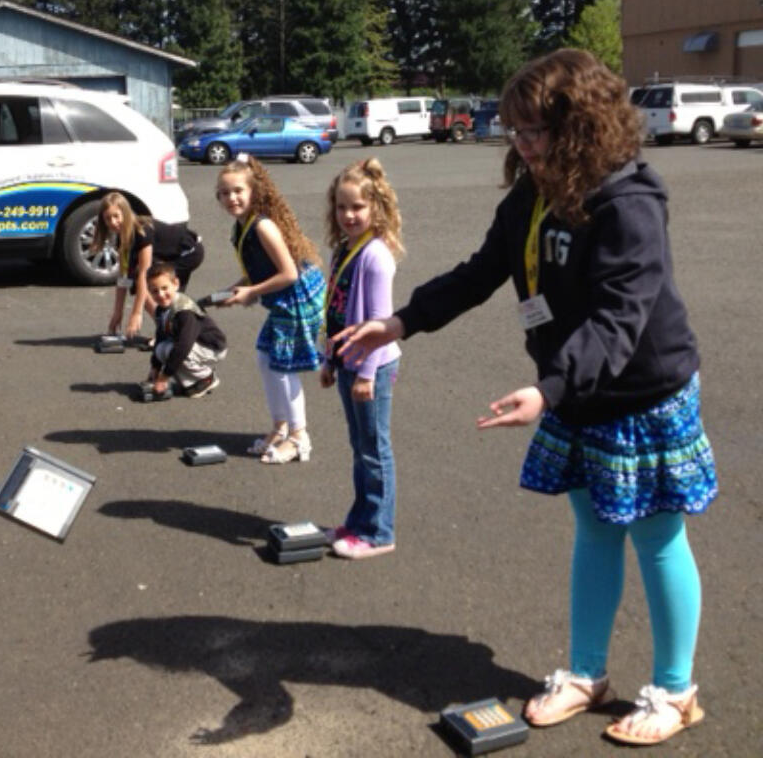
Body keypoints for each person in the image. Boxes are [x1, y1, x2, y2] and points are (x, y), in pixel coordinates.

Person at [335, 49, 718, 746]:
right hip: (574, 391)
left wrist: (546, 390)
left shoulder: (629, 201)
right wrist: (400, 322)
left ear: (582, 128)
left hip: (642, 394)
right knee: (596, 529)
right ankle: (585, 673)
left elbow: (618, 321)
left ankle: (674, 689)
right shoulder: (531, 198)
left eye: (535, 132)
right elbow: (480, 272)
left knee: (657, 537)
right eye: (513, 132)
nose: (522, 146)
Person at [214, 154, 326, 464]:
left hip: (298, 297)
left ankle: (299, 437)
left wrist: (251, 292)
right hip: (284, 297)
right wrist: (237, 288)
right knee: (266, 359)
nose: (231, 198)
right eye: (224, 193)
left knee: (281, 366)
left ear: (253, 191)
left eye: (238, 190)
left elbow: (289, 273)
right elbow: (260, 270)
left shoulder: (262, 226)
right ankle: (280, 428)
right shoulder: (242, 227)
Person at [319, 158, 403, 559]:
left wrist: (366, 374)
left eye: (357, 207)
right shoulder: (343, 251)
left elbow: (379, 323)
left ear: (376, 209)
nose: (349, 215)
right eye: (341, 207)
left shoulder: (375, 256)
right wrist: (329, 359)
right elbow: (334, 308)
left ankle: (379, 532)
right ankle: (359, 521)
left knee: (374, 449)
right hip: (349, 362)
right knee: (360, 446)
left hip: (372, 366)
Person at [92, 192, 204, 343]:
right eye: (107, 218)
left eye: (116, 216)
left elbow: (144, 273)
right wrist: (117, 314)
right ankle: (169, 329)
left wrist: (136, 314)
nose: (113, 222)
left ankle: (169, 331)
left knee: (154, 285)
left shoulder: (141, 230)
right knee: (138, 283)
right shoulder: (122, 238)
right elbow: (123, 277)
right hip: (169, 255)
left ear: (125, 213)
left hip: (188, 253)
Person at [144, 261, 227, 399]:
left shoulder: (184, 311)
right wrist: (155, 368)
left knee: (173, 351)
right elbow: (160, 337)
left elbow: (184, 345)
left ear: (176, 284)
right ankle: (191, 383)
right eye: (155, 291)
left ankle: (206, 377)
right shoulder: (161, 310)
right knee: (161, 349)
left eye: (165, 288)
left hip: (211, 346)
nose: (161, 294)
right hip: (193, 345)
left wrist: (164, 378)